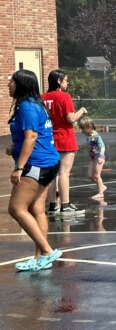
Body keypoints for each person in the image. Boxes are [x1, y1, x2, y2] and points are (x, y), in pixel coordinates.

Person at [7, 69, 63, 272]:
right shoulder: (33, 105)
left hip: (37, 164)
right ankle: (41, 258)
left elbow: (31, 138)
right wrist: (15, 148)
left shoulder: (28, 108)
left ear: (21, 84)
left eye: (11, 82)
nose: (8, 85)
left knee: (16, 209)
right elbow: (31, 137)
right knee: (36, 209)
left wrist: (19, 167)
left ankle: (47, 251)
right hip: (48, 161)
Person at [42, 69, 87, 216]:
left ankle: (52, 206)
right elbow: (71, 118)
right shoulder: (64, 97)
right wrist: (81, 111)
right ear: (59, 82)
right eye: (66, 80)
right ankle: (65, 205)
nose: (67, 83)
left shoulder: (42, 98)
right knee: (64, 173)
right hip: (64, 137)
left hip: (48, 138)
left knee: (51, 174)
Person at [78, 116, 106, 200]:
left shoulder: (96, 135)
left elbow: (102, 146)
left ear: (89, 127)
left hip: (99, 157)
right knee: (90, 175)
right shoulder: (89, 135)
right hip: (93, 158)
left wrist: (101, 156)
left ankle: (101, 193)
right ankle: (102, 186)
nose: (82, 131)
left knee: (97, 175)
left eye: (84, 129)